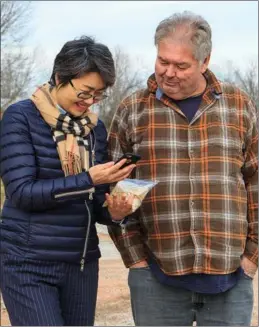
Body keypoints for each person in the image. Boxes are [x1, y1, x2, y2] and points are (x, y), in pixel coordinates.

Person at [107, 11, 258, 326]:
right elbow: (114, 188)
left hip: (230, 277)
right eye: (163, 61)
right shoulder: (132, 109)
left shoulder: (238, 105)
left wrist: (251, 258)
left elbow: (255, 181)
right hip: (156, 278)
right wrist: (135, 260)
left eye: (181, 65)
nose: (168, 73)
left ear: (205, 61)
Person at [0, 36, 136, 326]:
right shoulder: (20, 117)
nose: (90, 102)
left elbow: (95, 203)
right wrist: (87, 178)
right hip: (28, 263)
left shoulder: (94, 129)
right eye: (85, 92)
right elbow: (22, 192)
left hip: (81, 264)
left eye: (98, 95)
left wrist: (115, 211)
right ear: (60, 77)